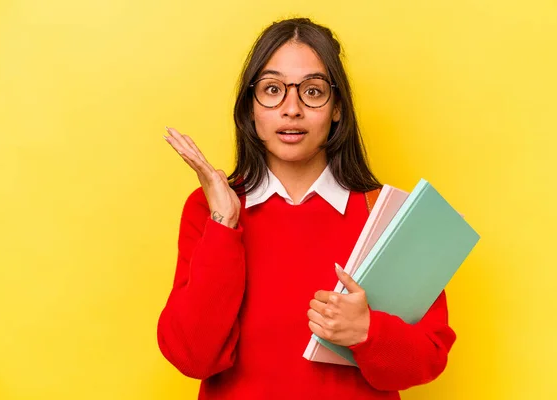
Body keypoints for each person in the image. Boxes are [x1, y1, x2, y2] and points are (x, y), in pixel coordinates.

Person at [158, 17, 456, 400]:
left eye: (312, 92)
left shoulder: (388, 214)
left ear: (336, 109)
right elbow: (192, 357)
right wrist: (223, 225)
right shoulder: (210, 208)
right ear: (251, 107)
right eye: (272, 89)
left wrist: (367, 332)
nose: (291, 109)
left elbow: (428, 358)